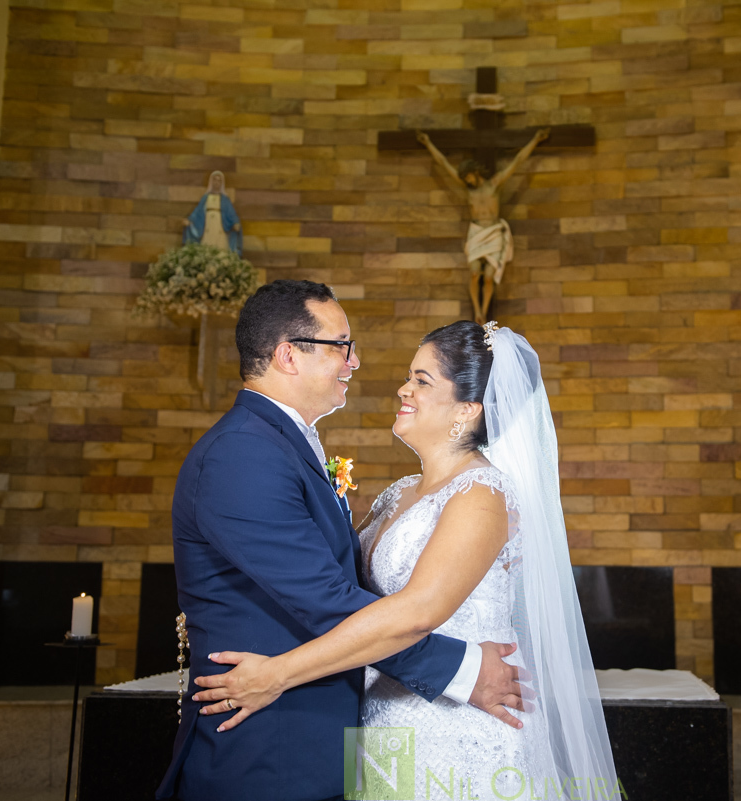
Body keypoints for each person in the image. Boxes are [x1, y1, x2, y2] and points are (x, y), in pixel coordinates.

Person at [192, 320, 620, 800]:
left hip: (454, 730)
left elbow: (416, 612)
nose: (404, 388)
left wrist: (277, 674)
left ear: (467, 410)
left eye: (422, 380)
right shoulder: (397, 495)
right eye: (409, 376)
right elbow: (339, 594)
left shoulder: (482, 494)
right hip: (381, 722)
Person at [156, 283, 523, 801]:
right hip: (270, 752)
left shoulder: (281, 446)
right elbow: (327, 601)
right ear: (288, 355)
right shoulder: (242, 453)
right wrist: (462, 669)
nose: (354, 361)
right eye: (342, 345)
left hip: (342, 738)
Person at [417, 129, 550, 323]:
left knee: (488, 276)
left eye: (468, 176)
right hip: (477, 232)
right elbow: (443, 164)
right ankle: (477, 309)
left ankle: (483, 312)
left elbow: (518, 161)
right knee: (474, 272)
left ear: (475, 171)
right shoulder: (468, 190)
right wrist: (428, 143)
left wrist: (536, 140)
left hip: (494, 231)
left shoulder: (494, 184)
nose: (466, 181)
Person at [182, 170, 243, 255]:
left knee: (221, 249)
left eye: (219, 180)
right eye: (215, 180)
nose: (217, 183)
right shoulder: (206, 198)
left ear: (222, 183)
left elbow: (231, 213)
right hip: (208, 227)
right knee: (207, 246)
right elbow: (198, 212)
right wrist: (190, 220)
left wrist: (235, 222)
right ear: (211, 182)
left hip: (220, 228)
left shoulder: (225, 199)